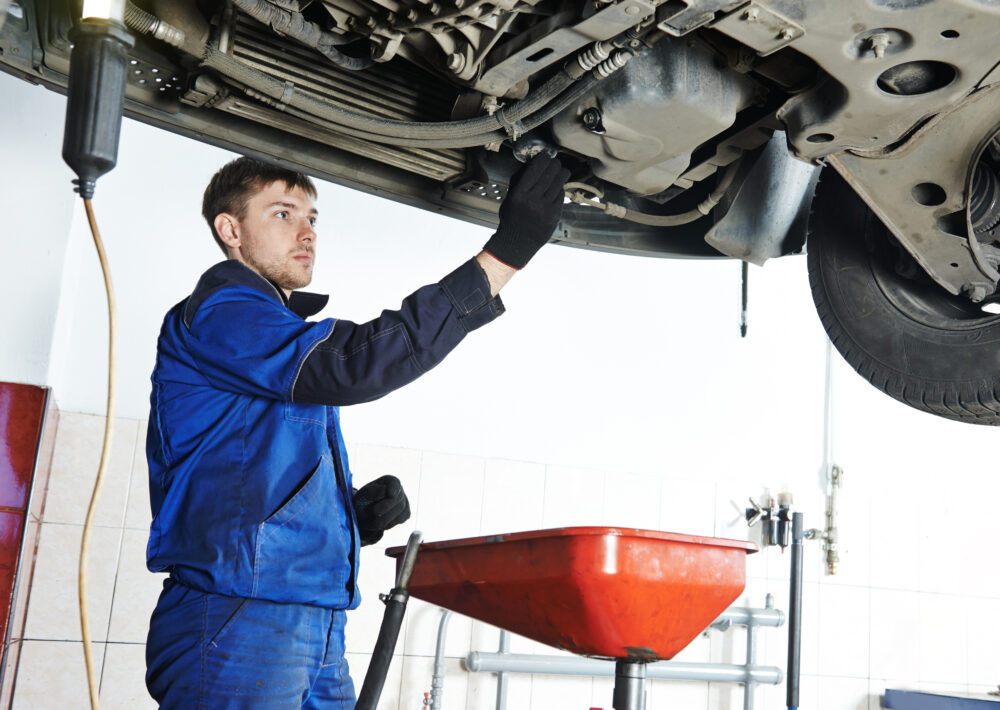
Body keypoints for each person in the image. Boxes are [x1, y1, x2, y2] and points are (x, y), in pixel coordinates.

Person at [143, 153, 570, 709]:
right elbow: (353, 364)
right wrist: (506, 253)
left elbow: (246, 469)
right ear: (231, 230)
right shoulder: (225, 309)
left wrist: (349, 515)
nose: (306, 232)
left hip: (305, 613)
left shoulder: (270, 330)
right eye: (282, 214)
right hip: (240, 614)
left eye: (312, 218)